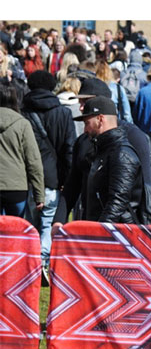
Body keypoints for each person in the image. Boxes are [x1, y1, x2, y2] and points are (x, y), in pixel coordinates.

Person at [21, 70, 75, 270]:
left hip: (26, 177)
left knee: (30, 223)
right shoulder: (62, 113)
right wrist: (66, 179)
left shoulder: (23, 112)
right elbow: (68, 149)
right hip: (53, 178)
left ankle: (30, 262)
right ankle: (43, 263)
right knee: (47, 224)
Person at [72, 96, 142, 223]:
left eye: (87, 123)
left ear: (100, 119)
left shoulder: (122, 154)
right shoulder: (101, 150)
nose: (85, 129)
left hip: (115, 236)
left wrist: (100, 233)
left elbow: (117, 202)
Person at [0, 85, 44, 218]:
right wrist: (39, 195)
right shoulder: (22, 124)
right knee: (15, 231)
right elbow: (33, 161)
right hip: (16, 187)